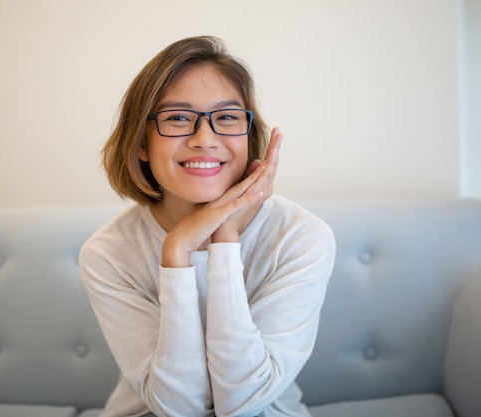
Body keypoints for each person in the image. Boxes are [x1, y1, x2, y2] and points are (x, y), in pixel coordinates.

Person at [79, 35, 335, 417]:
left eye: (227, 117)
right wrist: (177, 252)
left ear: (249, 137)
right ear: (142, 144)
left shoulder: (302, 238)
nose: (205, 139)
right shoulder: (108, 254)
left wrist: (224, 238)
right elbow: (179, 408)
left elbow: (243, 401)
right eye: (178, 118)